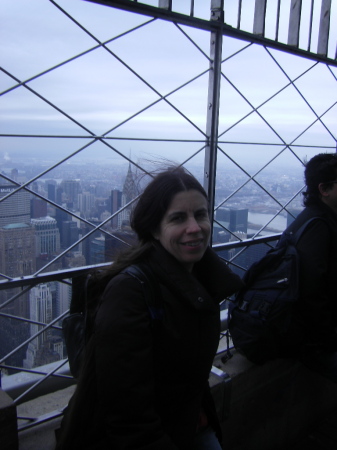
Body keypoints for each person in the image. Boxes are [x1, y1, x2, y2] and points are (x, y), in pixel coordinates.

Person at [56, 166, 243, 450]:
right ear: (155, 228)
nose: (194, 227)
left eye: (201, 214)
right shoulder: (130, 293)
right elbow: (127, 416)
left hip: (187, 424)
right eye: (178, 218)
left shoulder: (199, 278)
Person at [285, 153, 337, 382]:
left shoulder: (318, 220)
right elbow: (311, 292)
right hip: (314, 341)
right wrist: (330, 339)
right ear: (324, 189)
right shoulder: (318, 228)